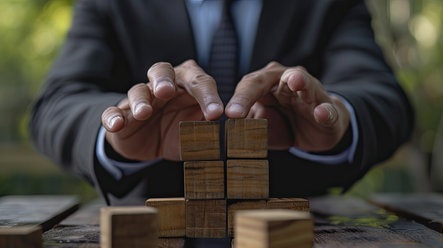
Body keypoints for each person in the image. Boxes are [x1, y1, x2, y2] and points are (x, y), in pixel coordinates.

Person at [30, 0, 414, 205]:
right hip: (151, 226)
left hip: (299, 230)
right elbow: (56, 105)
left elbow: (385, 98)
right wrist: (115, 134)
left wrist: (337, 119)